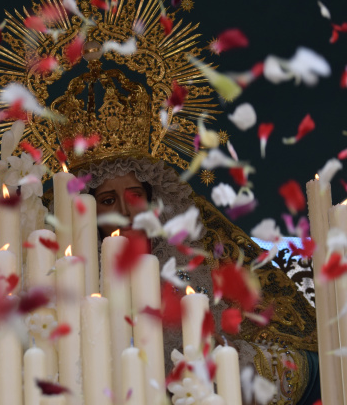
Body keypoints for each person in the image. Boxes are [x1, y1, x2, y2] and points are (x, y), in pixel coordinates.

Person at [76, 154, 321, 405]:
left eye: (135, 195)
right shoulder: (78, 281)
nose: (125, 211)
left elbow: (300, 358)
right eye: (108, 201)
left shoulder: (195, 264)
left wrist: (224, 359)